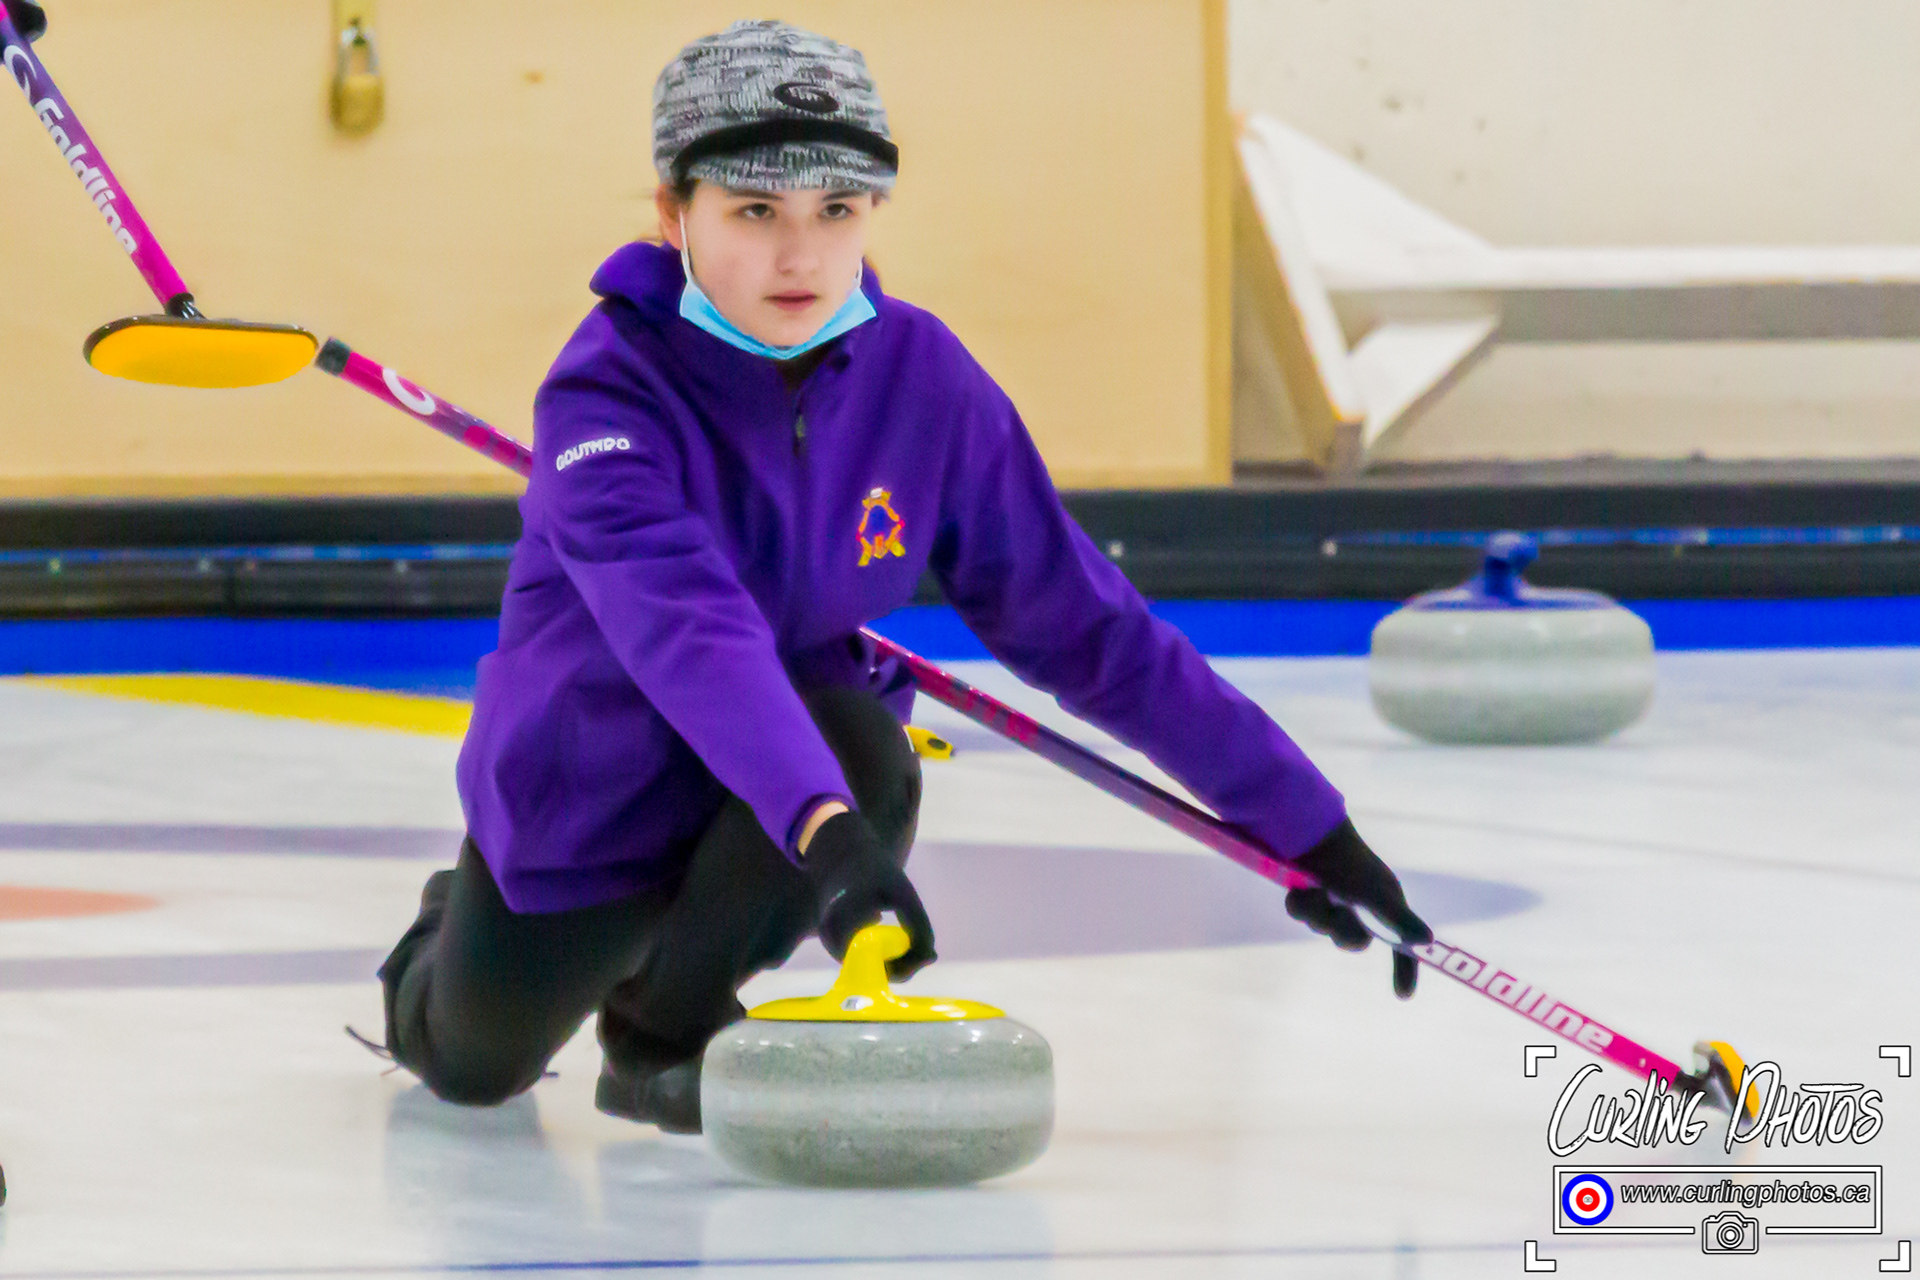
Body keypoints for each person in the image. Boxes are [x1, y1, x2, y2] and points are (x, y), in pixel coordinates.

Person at [375, 19, 1432, 1134]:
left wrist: (1306, 828)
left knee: (863, 746)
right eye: (755, 212)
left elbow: (1089, 628)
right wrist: (828, 836)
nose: (800, 257)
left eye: (837, 209)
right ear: (674, 210)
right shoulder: (605, 392)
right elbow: (690, 634)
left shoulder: (922, 379)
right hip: (594, 792)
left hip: (793, 783)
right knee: (474, 1064)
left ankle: (662, 1038)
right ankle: (445, 935)